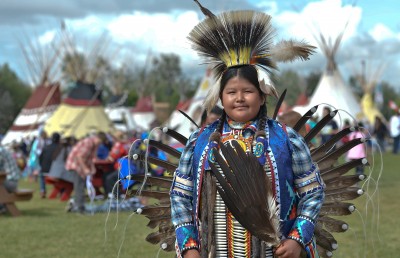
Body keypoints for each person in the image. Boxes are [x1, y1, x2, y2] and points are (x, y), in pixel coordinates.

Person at [170, 6, 323, 258]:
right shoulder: (200, 142)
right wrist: (189, 247)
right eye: (231, 92)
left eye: (248, 91)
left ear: (262, 96)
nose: (239, 98)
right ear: (220, 98)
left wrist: (298, 239)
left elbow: (313, 191)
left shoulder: (285, 139)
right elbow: (180, 195)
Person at [65, 132, 107, 213]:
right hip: (76, 165)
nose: (99, 144)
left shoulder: (93, 145)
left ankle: (74, 203)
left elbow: (90, 158)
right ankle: (80, 208)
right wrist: (85, 169)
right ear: (97, 138)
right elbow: (79, 157)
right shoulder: (89, 143)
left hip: (79, 165)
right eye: (100, 142)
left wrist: (92, 168)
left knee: (80, 186)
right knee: (79, 186)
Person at [0, 144, 21, 213]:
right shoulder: (3, 150)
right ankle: (3, 207)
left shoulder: (1, 151)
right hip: (13, 181)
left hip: (11, 182)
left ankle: (2, 207)